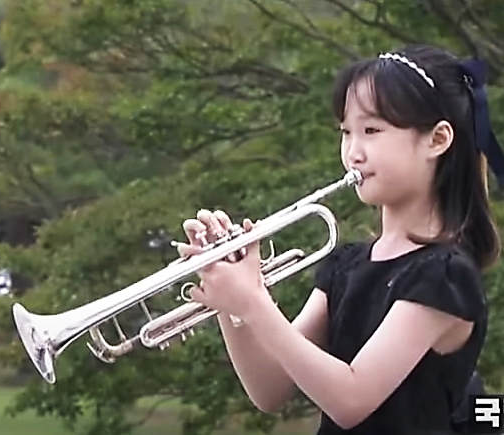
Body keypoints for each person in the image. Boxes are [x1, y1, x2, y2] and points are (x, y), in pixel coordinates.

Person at [174, 44, 504, 434]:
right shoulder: (347, 264)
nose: (353, 152)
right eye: (346, 132)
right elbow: (269, 389)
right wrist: (230, 294)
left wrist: (252, 300)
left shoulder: (444, 276)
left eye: (372, 131)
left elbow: (351, 399)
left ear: (436, 140)